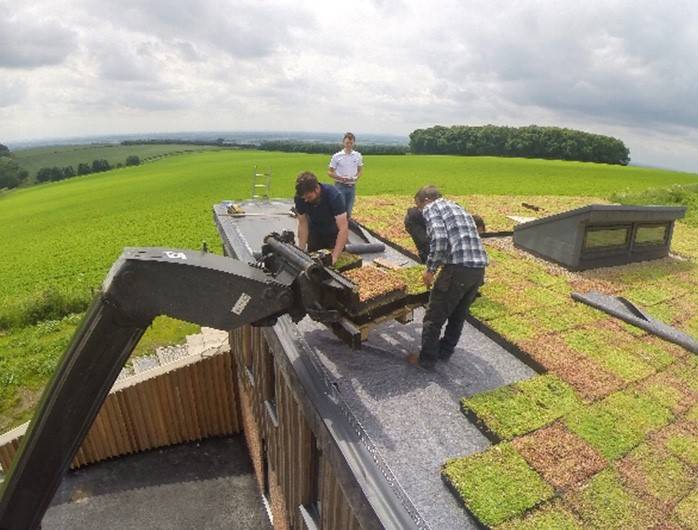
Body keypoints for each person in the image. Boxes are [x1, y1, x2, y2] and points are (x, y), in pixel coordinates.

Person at [410, 185, 489, 370]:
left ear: (426, 200)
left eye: (419, 207)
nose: (421, 212)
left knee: (433, 316)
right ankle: (444, 352)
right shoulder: (456, 206)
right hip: (478, 270)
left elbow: (439, 240)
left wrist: (430, 270)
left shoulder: (432, 207)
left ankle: (426, 361)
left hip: (458, 269)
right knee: (458, 315)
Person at [294, 171, 348, 265]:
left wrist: (334, 257)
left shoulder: (334, 196)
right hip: (315, 232)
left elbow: (343, 229)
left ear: (316, 189)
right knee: (314, 265)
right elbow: (303, 224)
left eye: (309, 197)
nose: (306, 200)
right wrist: (301, 251)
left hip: (333, 234)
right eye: (304, 198)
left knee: (335, 266)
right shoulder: (300, 198)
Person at [404, 207, 486, 264]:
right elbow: (439, 241)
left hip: (426, 221)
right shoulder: (456, 226)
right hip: (414, 220)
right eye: (477, 233)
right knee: (427, 248)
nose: (477, 237)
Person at [328, 132, 363, 218]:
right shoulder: (337, 156)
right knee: (340, 211)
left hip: (352, 187)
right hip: (340, 186)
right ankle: (337, 230)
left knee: (348, 212)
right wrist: (340, 177)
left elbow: (360, 171)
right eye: (347, 143)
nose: (349, 145)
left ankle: (346, 230)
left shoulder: (358, 156)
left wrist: (356, 177)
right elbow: (329, 172)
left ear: (354, 143)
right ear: (343, 143)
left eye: (351, 143)